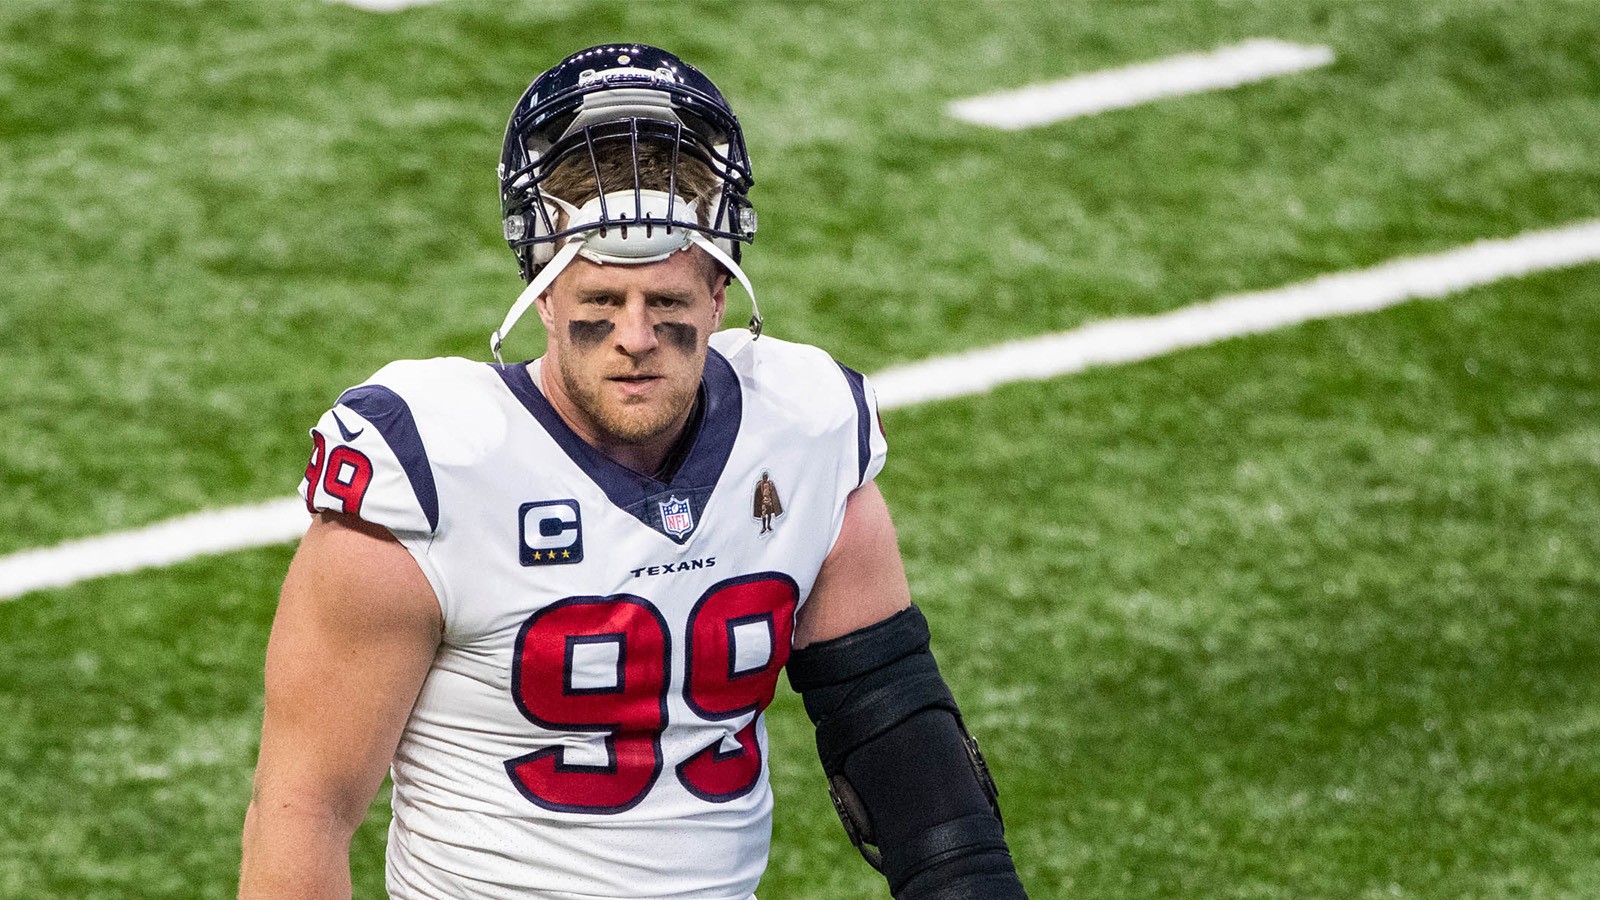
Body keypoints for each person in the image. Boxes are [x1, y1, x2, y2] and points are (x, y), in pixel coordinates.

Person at [239, 43, 1026, 900]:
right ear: (544, 293)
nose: (637, 337)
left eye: (669, 302)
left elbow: (895, 729)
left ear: (720, 295)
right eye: (603, 303)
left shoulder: (801, 429)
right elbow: (304, 809)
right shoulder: (434, 466)